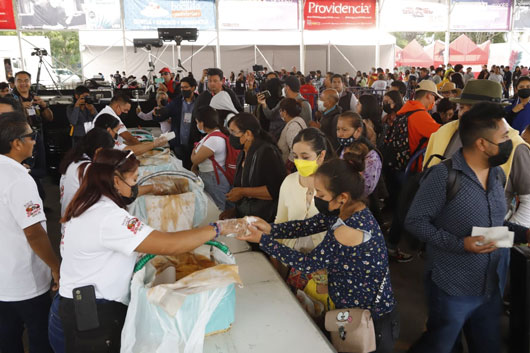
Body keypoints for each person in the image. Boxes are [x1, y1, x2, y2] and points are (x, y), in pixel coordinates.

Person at [56, 148, 237, 352]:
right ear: (115, 181)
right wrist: (217, 228)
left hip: (85, 302)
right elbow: (170, 245)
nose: (136, 187)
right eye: (134, 180)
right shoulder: (108, 217)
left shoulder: (92, 199)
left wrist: (154, 188)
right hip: (95, 311)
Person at [237, 155, 398, 353]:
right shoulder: (351, 210)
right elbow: (306, 226)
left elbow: (308, 264)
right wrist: (270, 229)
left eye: (320, 195)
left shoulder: (347, 230)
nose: (316, 199)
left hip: (368, 320)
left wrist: (262, 241)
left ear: (342, 197)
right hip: (350, 307)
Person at [405, 102, 530, 353]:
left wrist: (524, 234)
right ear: (482, 143)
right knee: (440, 345)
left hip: (489, 287)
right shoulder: (443, 176)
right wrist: (460, 244)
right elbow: (415, 222)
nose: (510, 141)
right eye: (504, 136)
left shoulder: (496, 176)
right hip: (452, 288)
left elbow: (491, 228)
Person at [0, 114, 60, 353]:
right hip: (24, 281)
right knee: (40, 338)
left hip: (3, 278)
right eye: (30, 137)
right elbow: (34, 232)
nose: (34, 142)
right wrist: (55, 266)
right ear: (16, 143)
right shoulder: (19, 181)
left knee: (7, 339)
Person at [221, 113, 286, 223]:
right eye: (230, 131)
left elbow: (276, 190)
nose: (230, 136)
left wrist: (242, 192)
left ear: (248, 134)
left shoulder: (267, 152)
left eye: (233, 132)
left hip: (264, 221)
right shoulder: (243, 153)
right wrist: (235, 211)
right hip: (247, 219)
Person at [11, 71, 54, 199]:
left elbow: (50, 118)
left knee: (40, 170)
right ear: (14, 83)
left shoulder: (35, 98)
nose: (23, 83)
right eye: (20, 80)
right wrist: (20, 108)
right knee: (23, 170)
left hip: (37, 137)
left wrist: (44, 106)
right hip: (20, 140)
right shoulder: (10, 100)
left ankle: (38, 199)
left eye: (26, 80)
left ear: (30, 82)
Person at [155, 76, 201, 169]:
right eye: (182, 87)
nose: (183, 90)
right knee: (180, 167)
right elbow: (165, 114)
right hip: (178, 142)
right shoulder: (176, 102)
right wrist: (156, 114)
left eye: (186, 87)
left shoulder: (200, 102)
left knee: (193, 167)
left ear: (193, 88)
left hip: (194, 143)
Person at [191, 107, 232, 211]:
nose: (197, 125)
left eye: (197, 122)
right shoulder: (211, 135)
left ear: (203, 122)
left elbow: (195, 159)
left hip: (214, 178)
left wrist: (194, 153)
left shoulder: (214, 139)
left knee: (218, 209)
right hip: (209, 176)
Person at [336, 111, 382, 198]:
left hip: (359, 202)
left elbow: (366, 189)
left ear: (358, 131)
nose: (340, 134)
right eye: (338, 129)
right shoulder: (341, 148)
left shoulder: (371, 156)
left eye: (344, 130)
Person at [93, 113, 167, 155]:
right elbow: (131, 150)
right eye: (116, 131)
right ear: (109, 130)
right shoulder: (106, 143)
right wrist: (154, 144)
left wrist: (149, 144)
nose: (116, 134)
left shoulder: (102, 138)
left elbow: (126, 147)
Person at [277, 98, 307, 165]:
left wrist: (288, 168)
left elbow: (294, 150)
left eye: (281, 111)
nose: (280, 113)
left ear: (285, 112)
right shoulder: (298, 120)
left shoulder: (293, 127)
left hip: (293, 165)